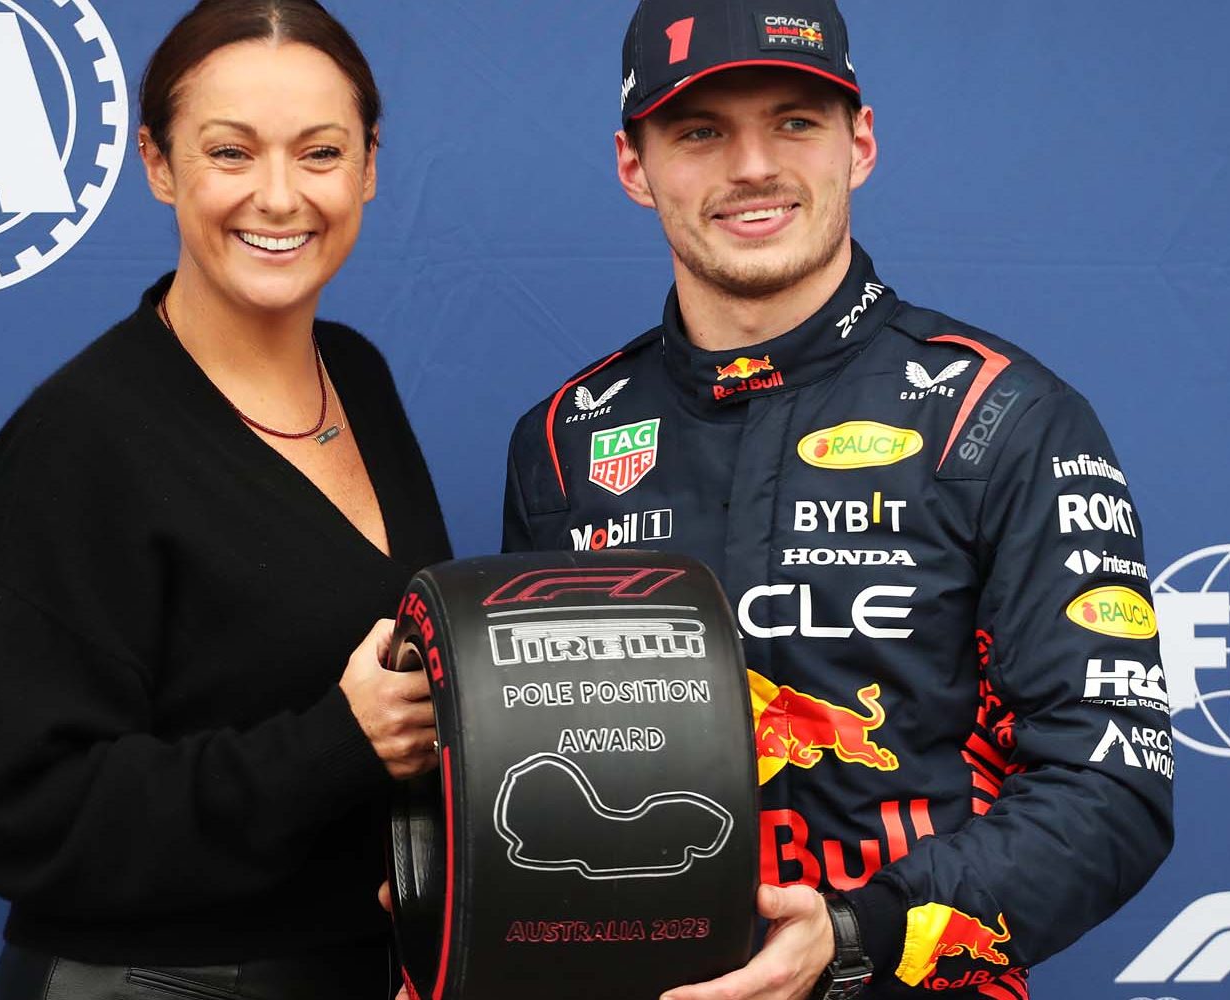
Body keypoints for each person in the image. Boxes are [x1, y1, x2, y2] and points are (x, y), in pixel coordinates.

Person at [501, 2, 1173, 998]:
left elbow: (1112, 787)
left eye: (794, 121)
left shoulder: (1001, 419)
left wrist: (857, 933)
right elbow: (542, 770)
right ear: (634, 166)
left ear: (859, 143)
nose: (752, 167)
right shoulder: (564, 441)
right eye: (699, 131)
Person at [0, 3, 449, 998]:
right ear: (160, 164)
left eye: (319, 152)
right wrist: (337, 742)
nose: (278, 195)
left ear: (369, 167)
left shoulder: (359, 375)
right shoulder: (78, 443)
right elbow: (28, 813)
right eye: (230, 152)